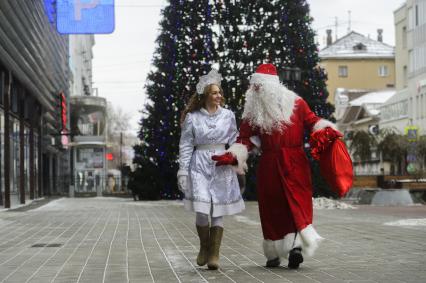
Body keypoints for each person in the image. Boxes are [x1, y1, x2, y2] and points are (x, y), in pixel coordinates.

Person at [212, 63, 338, 269]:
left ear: (271, 86)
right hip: (269, 163)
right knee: (271, 207)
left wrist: (324, 131)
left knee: (296, 202)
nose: (255, 90)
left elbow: (312, 121)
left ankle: (295, 247)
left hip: (295, 161)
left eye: (259, 86)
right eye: (254, 87)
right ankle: (273, 250)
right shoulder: (253, 111)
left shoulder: (296, 103)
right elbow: (246, 138)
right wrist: (233, 155)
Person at [177, 69, 245, 270]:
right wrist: (183, 170)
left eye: (220, 93)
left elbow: (235, 140)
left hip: (221, 164)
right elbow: (186, 144)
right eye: (215, 93)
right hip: (199, 163)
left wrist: (234, 156)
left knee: (217, 208)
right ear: (206, 95)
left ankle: (214, 253)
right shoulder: (193, 118)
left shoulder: (228, 116)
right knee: (201, 207)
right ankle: (204, 246)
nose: (219, 96)